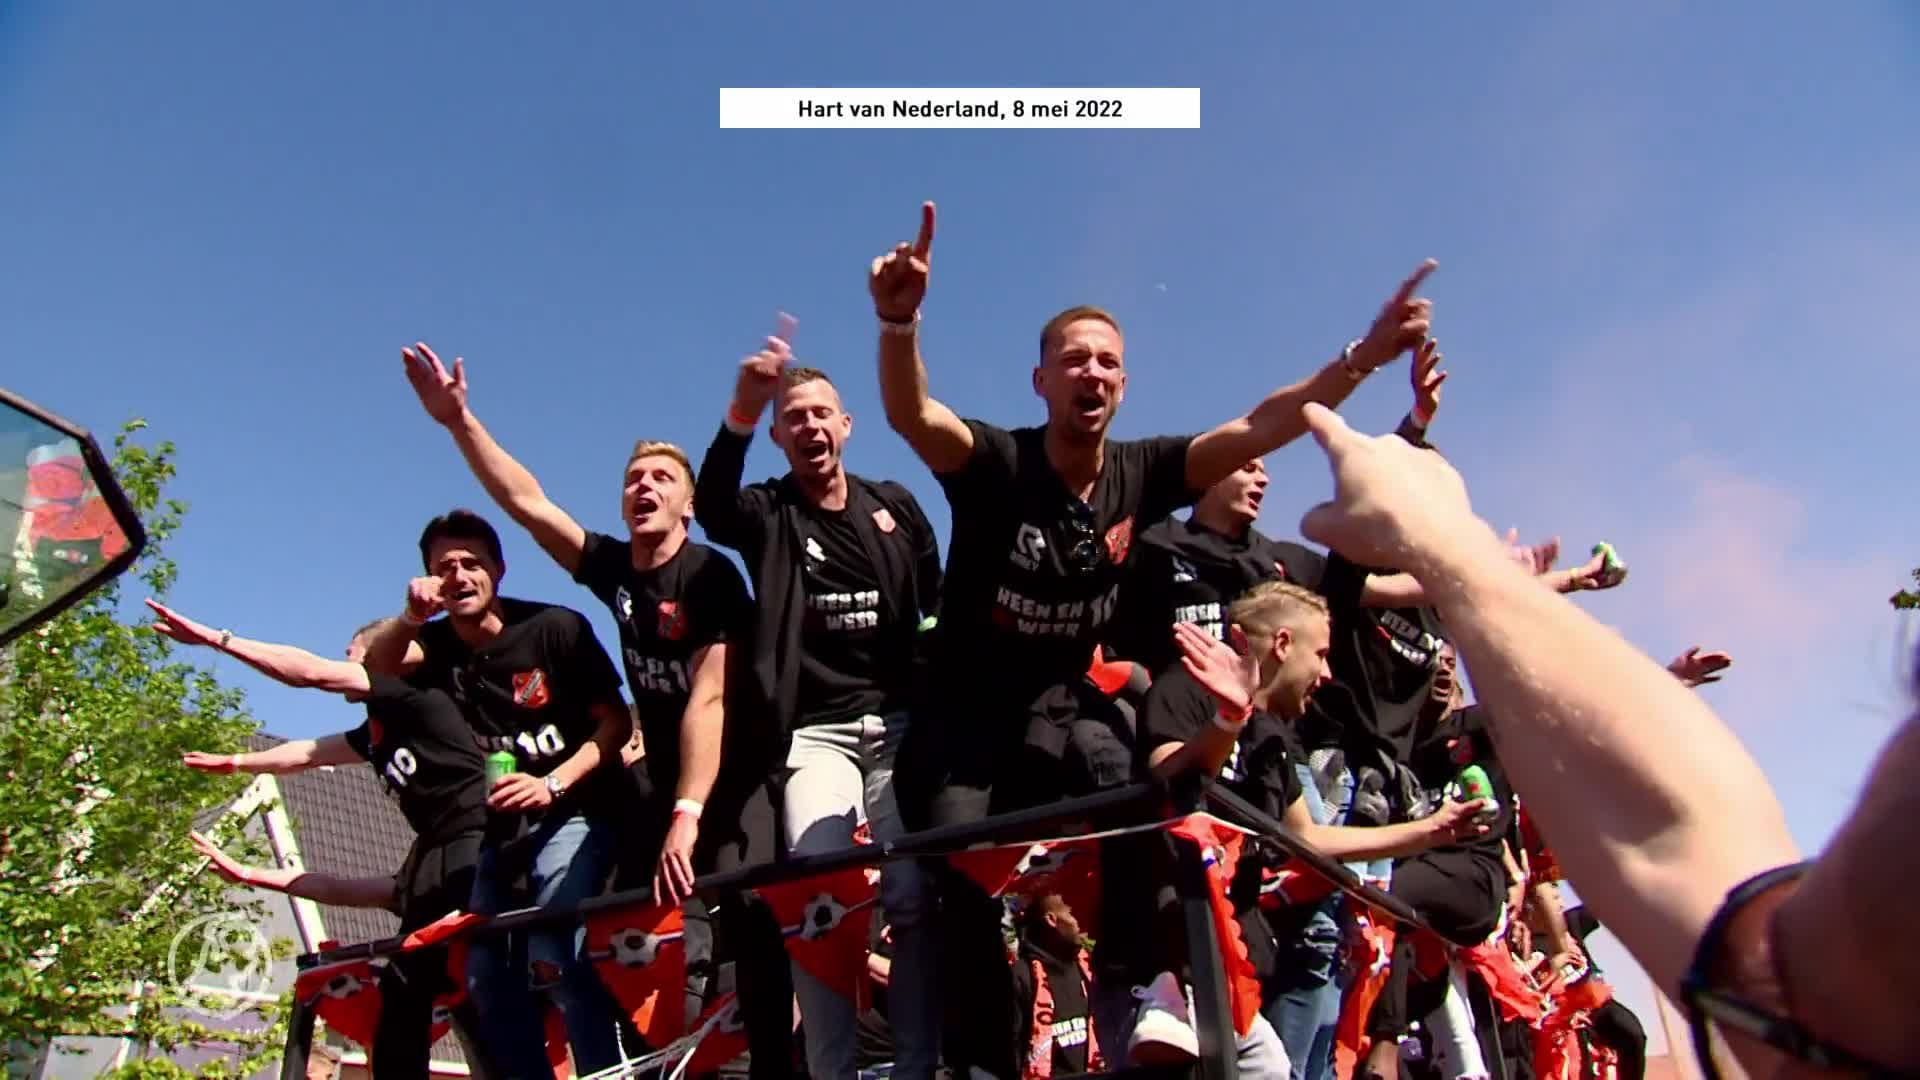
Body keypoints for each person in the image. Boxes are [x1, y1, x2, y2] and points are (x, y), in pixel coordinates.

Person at [868, 201, 1440, 1077]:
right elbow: (914, 416)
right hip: (964, 719)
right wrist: (899, 323)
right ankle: (982, 1061)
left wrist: (1361, 356)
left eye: (1107, 362)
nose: (1091, 373)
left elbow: (1262, 425)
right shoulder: (1000, 463)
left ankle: (1163, 984)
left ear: (1124, 385)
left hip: (1059, 707)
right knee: (960, 873)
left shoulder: (1143, 471)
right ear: (1041, 381)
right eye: (1074, 360)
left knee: (1145, 784)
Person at [1288, 400, 1918, 1077]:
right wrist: (1456, 552)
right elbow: (1689, 855)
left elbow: (1677, 840)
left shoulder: (1818, 1010)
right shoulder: (1816, 1013)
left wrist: (1454, 551)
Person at [395, 347, 795, 1076]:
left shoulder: (709, 575)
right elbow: (527, 503)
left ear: (688, 503)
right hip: (660, 779)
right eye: (634, 478)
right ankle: (637, 1063)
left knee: (750, 913)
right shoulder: (613, 570)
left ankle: (772, 1065)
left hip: (733, 780)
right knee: (609, 931)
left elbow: (708, 699)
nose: (645, 486)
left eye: (662, 478)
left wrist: (686, 813)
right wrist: (458, 421)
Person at [1101, 581, 1490, 1072]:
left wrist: (1432, 831)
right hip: (1152, 968)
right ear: (1283, 644)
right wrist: (1228, 719)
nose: (1327, 673)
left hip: (1226, 975)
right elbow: (1170, 776)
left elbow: (1308, 838)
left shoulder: (1271, 735)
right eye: (1321, 655)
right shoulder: (1186, 687)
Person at [696, 325, 943, 1080]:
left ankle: (916, 1068)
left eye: (820, 414)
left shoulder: (894, 506)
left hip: (899, 730)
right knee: (819, 900)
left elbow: (933, 608)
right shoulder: (769, 512)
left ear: (846, 424)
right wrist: (741, 411)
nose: (809, 427)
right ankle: (830, 1072)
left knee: (912, 894)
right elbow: (711, 507)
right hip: (814, 735)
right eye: (793, 418)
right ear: (778, 436)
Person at [153, 608, 497, 1077]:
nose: (345, 659)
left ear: (379, 658)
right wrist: (236, 765)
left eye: (353, 652)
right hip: (435, 851)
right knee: (406, 992)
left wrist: (218, 640)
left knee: (458, 978)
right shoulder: (375, 734)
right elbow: (304, 755)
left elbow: (312, 673)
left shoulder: (415, 696)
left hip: (474, 840)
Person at [351, 510, 636, 1076]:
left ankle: (604, 1071)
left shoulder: (554, 627)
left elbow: (615, 725)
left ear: (499, 570)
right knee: (483, 969)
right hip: (503, 831)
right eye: (444, 567)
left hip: (578, 807)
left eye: (472, 563)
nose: (459, 576)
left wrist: (551, 783)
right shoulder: (434, 645)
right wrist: (410, 616)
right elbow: (373, 669)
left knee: (557, 943)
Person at [187, 832, 496, 1078]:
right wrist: (245, 872)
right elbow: (337, 889)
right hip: (435, 994)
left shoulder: (477, 859)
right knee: (399, 1031)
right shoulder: (421, 879)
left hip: (485, 982)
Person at [1009, 893, 1101, 1078]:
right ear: (1052, 919)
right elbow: (1010, 1049)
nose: (1084, 920)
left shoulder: (1089, 967)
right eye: (1075, 913)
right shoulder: (1022, 976)